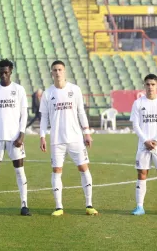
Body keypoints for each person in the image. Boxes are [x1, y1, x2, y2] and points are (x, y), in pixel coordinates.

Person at [39, 60, 98, 216]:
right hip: (57, 139)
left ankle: (89, 205)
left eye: (60, 69)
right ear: (51, 73)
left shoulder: (75, 90)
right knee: (57, 171)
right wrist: (42, 136)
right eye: (55, 70)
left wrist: (87, 132)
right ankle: (59, 207)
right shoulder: (48, 93)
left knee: (84, 168)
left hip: (75, 138)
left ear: (64, 71)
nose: (57, 72)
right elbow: (44, 117)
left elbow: (81, 112)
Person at [0, 59, 30, 216]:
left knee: (19, 170)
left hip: (14, 137)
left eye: (6, 72)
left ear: (11, 72)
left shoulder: (19, 90)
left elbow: (24, 114)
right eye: (1, 72)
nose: (3, 75)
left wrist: (22, 134)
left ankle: (24, 205)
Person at [130, 74, 157, 216]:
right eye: (148, 84)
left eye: (153, 84)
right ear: (144, 86)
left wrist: (156, 140)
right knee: (142, 174)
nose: (150, 87)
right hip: (143, 145)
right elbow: (135, 125)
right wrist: (145, 141)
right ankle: (139, 207)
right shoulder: (138, 103)